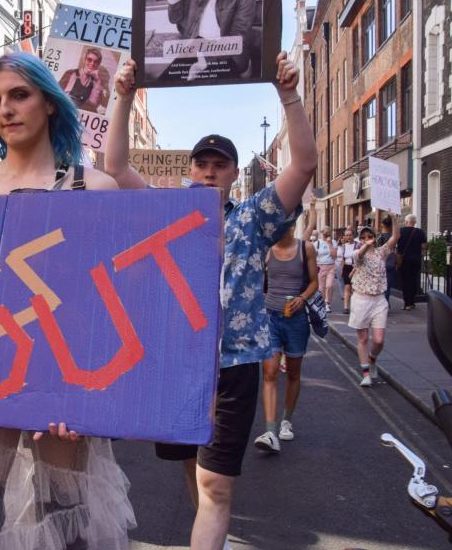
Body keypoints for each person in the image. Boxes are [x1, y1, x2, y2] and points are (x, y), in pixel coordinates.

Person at [0, 52, 136, 550]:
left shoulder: (93, 188)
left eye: (19, 95)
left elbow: (108, 299)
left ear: (50, 103)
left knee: (62, 528)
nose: (5, 110)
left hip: (59, 382)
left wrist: (88, 394)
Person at [104, 50, 316, 550]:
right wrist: (123, 96)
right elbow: (114, 166)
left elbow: (304, 163)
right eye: (201, 163)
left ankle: (211, 523)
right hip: (176, 362)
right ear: (191, 169)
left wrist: (289, 96)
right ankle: (210, 526)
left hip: (234, 362)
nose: (208, 171)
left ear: (233, 174)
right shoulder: (170, 210)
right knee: (192, 470)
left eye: (220, 165)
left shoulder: (254, 218)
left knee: (216, 483)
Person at [252, 225, 318, 454]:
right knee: (269, 373)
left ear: (291, 224)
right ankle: (270, 431)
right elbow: (258, 279)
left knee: (293, 373)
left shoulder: (306, 248)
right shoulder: (266, 249)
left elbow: (314, 283)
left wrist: (302, 297)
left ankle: (286, 420)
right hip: (270, 319)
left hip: (296, 320)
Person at [165, 0, 257, 80]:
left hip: (229, 55)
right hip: (195, 48)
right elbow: (174, 18)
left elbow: (237, 41)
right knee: (168, 83)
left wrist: (206, 60)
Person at [350, 214, 399, 387]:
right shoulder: (357, 253)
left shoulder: (381, 253)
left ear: (375, 237)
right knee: (363, 338)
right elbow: (361, 254)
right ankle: (365, 374)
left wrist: (394, 219)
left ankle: (371, 360)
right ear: (360, 239)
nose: (367, 239)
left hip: (379, 300)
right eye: (363, 237)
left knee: (379, 340)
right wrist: (365, 246)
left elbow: (395, 237)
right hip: (361, 300)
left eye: (369, 236)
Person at [57, 47, 108, 113]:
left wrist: (98, 81)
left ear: (98, 65)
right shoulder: (71, 73)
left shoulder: (95, 83)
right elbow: (57, 91)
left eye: (96, 62)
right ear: (84, 60)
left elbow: (93, 104)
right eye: (89, 60)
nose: (92, 63)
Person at [397, 214, 427, 311]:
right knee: (414, 280)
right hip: (416, 260)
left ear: (406, 222)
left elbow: (396, 245)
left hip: (404, 260)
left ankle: (407, 303)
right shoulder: (420, 232)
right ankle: (412, 302)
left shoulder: (400, 231)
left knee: (405, 281)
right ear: (414, 222)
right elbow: (423, 247)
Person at [376, 217, 397, 304]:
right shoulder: (392, 238)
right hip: (391, 263)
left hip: (380, 263)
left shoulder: (379, 237)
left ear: (382, 225)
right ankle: (386, 302)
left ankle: (382, 304)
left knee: (380, 285)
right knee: (387, 286)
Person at [339, 228, 357, 314]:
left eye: (350, 235)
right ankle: (346, 307)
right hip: (346, 267)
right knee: (347, 287)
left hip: (355, 268)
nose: (348, 237)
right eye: (346, 235)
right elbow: (343, 259)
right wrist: (341, 270)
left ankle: (354, 307)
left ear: (353, 235)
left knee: (354, 288)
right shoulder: (344, 246)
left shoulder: (358, 245)